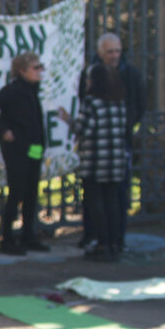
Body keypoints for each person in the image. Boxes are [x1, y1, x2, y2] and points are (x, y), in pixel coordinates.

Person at [76, 33, 147, 250]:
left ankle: (111, 239)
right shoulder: (91, 75)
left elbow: (140, 103)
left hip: (106, 150)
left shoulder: (130, 75)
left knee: (112, 196)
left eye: (118, 51)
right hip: (111, 149)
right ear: (100, 53)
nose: (115, 55)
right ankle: (98, 237)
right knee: (101, 198)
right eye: (110, 52)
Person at [0, 51, 51, 255]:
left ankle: (29, 235)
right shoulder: (13, 90)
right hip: (18, 149)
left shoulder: (32, 90)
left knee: (31, 192)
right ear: (22, 70)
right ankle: (8, 239)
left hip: (34, 148)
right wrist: (3, 131)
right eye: (35, 68)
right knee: (17, 191)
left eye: (40, 67)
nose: (40, 72)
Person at [60, 64, 128, 262]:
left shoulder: (91, 102)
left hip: (96, 160)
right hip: (115, 159)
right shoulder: (118, 101)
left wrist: (68, 120)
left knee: (96, 202)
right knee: (112, 201)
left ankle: (102, 243)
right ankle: (115, 242)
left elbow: (84, 128)